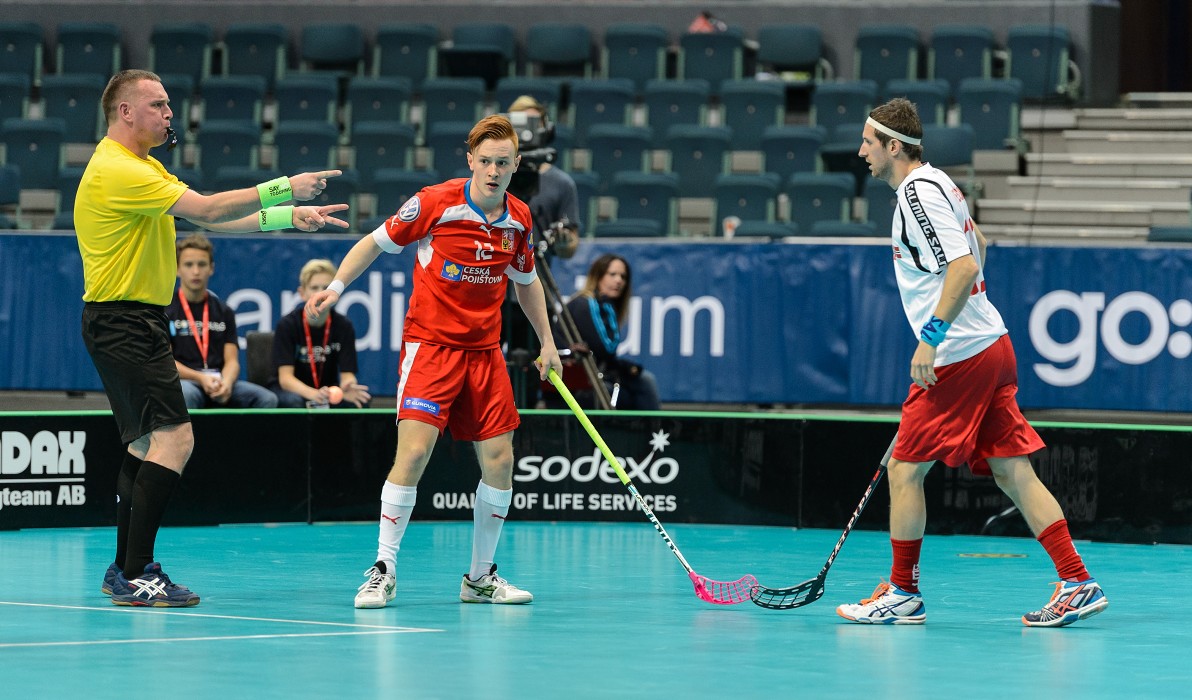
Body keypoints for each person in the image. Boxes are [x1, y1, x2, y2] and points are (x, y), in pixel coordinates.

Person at [78, 69, 348, 607]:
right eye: (157, 104)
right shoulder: (117, 169)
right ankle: (137, 572)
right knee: (176, 440)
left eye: (169, 104)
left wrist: (289, 216)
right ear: (125, 111)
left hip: (129, 321)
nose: (169, 114)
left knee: (143, 444)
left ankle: (122, 568)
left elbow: (215, 223)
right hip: (125, 320)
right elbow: (206, 208)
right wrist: (283, 185)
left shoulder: (143, 167)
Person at [835, 98, 1108, 628]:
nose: (861, 151)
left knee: (904, 469)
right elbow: (979, 242)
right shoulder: (940, 183)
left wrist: (931, 338)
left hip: (960, 355)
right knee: (1011, 469)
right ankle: (1077, 581)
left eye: (869, 141)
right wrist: (970, 312)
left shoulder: (916, 194)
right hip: (990, 344)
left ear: (894, 146)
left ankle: (903, 591)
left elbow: (962, 266)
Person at [304, 114, 564, 609]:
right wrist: (335, 288)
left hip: (485, 354)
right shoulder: (434, 203)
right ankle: (383, 568)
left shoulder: (519, 219)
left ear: (515, 166)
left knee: (501, 460)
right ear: (470, 161)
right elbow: (372, 244)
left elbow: (525, 282)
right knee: (415, 452)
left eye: (502, 163)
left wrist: (547, 342)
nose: (492, 170)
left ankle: (480, 577)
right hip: (432, 347)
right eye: (484, 161)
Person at [166, 233, 278, 409]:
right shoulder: (166, 310)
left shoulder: (223, 311)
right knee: (186, 394)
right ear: (178, 269)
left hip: (219, 380)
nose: (196, 271)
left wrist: (226, 383)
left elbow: (232, 361)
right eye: (189, 265)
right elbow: (166, 363)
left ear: (211, 268)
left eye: (202, 264)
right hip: (187, 381)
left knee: (267, 399)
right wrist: (201, 378)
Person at [550, 253, 660, 410]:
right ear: (598, 276)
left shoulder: (604, 304)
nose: (619, 280)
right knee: (638, 384)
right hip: (577, 380)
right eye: (612, 274)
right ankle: (653, 433)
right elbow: (606, 348)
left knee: (645, 380)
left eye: (623, 276)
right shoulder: (586, 304)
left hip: (596, 373)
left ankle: (655, 433)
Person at [270, 259, 371, 409]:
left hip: (327, 390)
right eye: (314, 288)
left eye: (326, 287)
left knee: (359, 401)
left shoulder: (344, 326)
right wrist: (314, 394)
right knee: (294, 402)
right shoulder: (287, 325)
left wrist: (348, 386)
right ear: (302, 293)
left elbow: (347, 375)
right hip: (290, 390)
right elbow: (286, 380)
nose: (320, 293)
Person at [506, 95, 581, 261]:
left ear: (547, 130)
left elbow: (569, 249)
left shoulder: (562, 183)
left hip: (537, 270)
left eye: (534, 123)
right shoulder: (492, 176)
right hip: (494, 272)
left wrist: (564, 242)